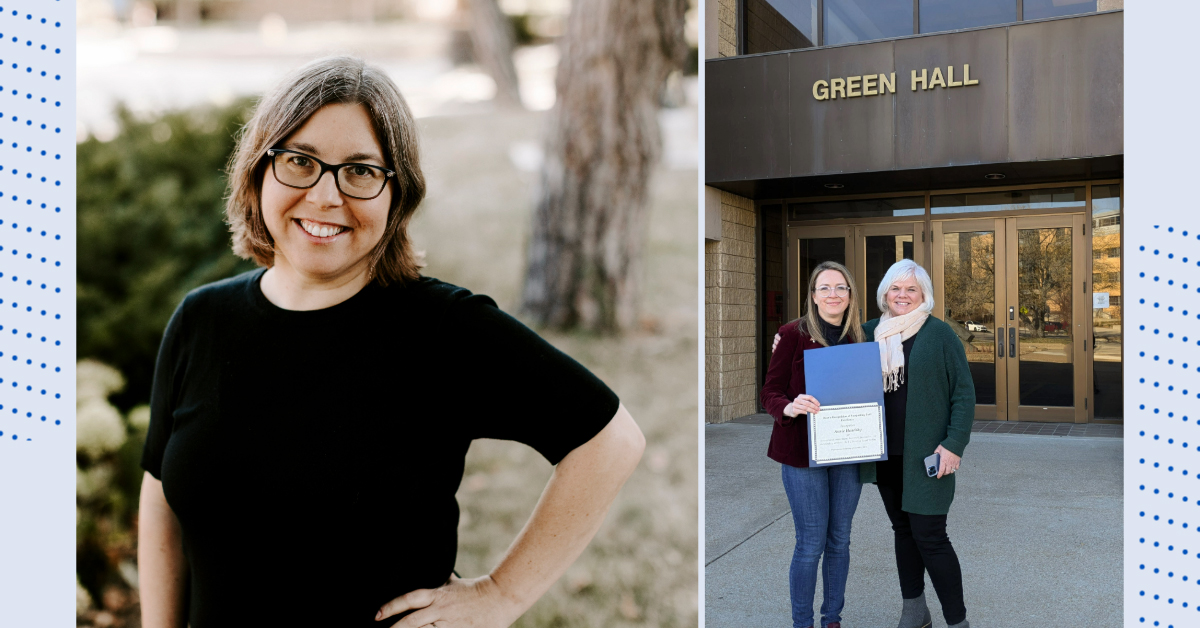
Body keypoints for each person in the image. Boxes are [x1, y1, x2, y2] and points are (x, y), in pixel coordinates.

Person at [136, 56, 646, 628]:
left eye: (360, 171)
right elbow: (161, 499)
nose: (327, 196)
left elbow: (610, 442)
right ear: (258, 172)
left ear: (396, 195)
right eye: (299, 161)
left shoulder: (444, 330)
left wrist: (501, 594)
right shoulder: (200, 320)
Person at [859, 259, 975, 628]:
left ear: (924, 295)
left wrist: (954, 444)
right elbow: (821, 340)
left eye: (912, 289)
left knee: (931, 536)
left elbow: (964, 394)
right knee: (903, 530)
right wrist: (786, 334)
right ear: (884, 294)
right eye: (896, 288)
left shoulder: (939, 334)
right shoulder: (868, 333)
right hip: (885, 454)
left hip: (928, 455)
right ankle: (915, 611)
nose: (903, 295)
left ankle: (957, 622)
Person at [760, 261, 866, 628]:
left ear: (850, 294)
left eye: (840, 287)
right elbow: (768, 391)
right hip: (802, 452)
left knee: (840, 539)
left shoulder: (862, 338)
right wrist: (789, 406)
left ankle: (832, 618)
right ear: (813, 295)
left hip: (849, 449)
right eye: (824, 288)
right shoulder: (792, 334)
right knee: (810, 544)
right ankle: (802, 622)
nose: (833, 294)